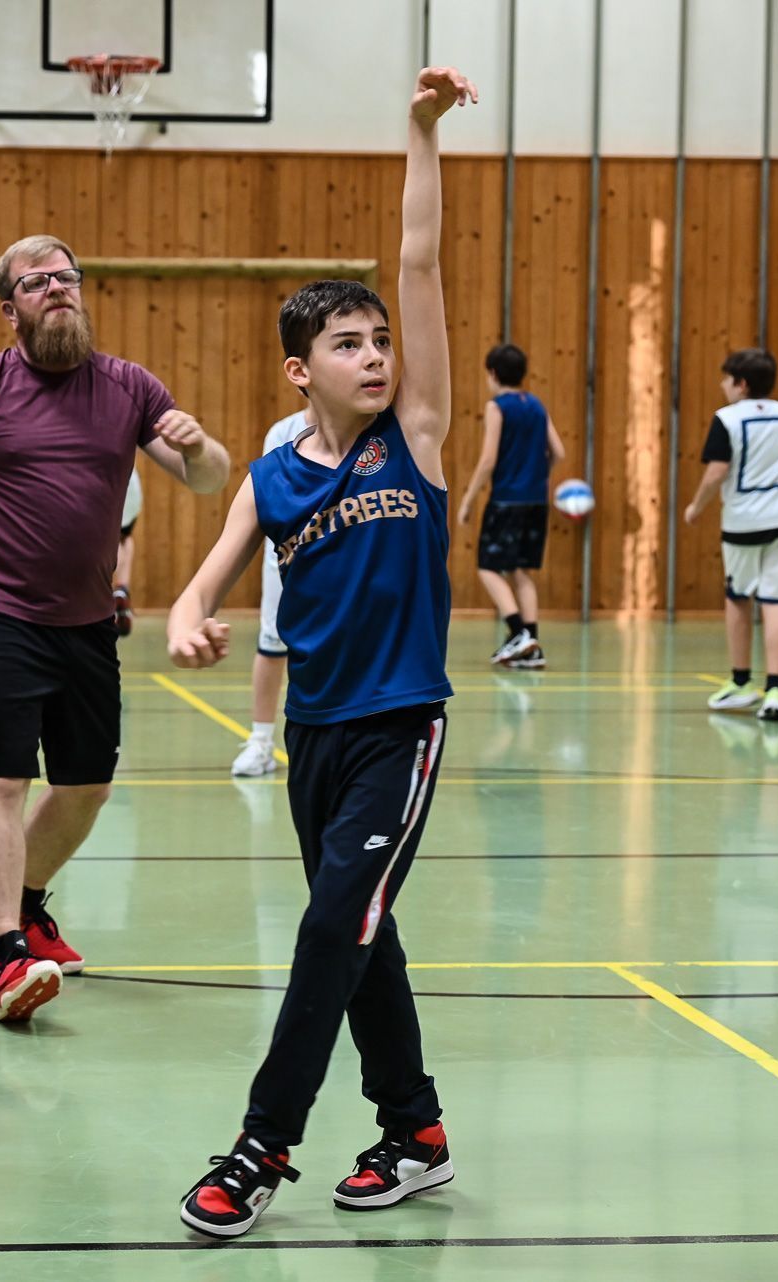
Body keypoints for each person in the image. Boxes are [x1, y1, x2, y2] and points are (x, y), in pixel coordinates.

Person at [165, 65, 477, 1240]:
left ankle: (259, 1147)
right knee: (363, 927)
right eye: (349, 345)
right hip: (317, 737)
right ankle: (416, 1130)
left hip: (402, 722)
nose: (376, 355)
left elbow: (420, 261)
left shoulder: (422, 440)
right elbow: (214, 567)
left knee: (327, 928)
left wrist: (419, 133)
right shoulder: (276, 470)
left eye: (381, 341)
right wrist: (192, 611)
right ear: (302, 369)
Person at [0, 234, 231, 1023]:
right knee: (4, 781)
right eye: (37, 281)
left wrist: (202, 445)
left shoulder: (128, 387)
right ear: (8, 307)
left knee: (86, 787)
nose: (58, 288)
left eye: (67, 277)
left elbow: (207, 480)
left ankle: (30, 901)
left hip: (88, 624)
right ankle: (5, 956)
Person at [684, 348, 778, 723]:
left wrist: (696, 506)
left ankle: (740, 682)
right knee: (777, 599)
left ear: (742, 384)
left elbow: (716, 472)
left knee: (739, 598)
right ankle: (775, 689)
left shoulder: (727, 419)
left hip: (743, 522)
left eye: (726, 379)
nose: (722, 385)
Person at [454, 343, 565, 667]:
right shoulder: (536, 405)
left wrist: (467, 500)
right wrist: (536, 476)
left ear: (492, 373)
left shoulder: (497, 407)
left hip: (506, 500)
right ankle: (532, 643)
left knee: (488, 566)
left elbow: (488, 460)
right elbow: (557, 451)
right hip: (536, 501)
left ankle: (518, 632)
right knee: (520, 570)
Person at [231, 411, 307, 777]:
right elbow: (271, 503)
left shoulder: (374, 432)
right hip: (288, 553)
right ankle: (261, 740)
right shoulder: (284, 432)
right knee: (272, 642)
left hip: (345, 553)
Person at [113, 468, 142, 635]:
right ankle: (122, 588)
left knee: (111, 539)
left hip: (106, 484)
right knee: (125, 537)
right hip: (132, 487)